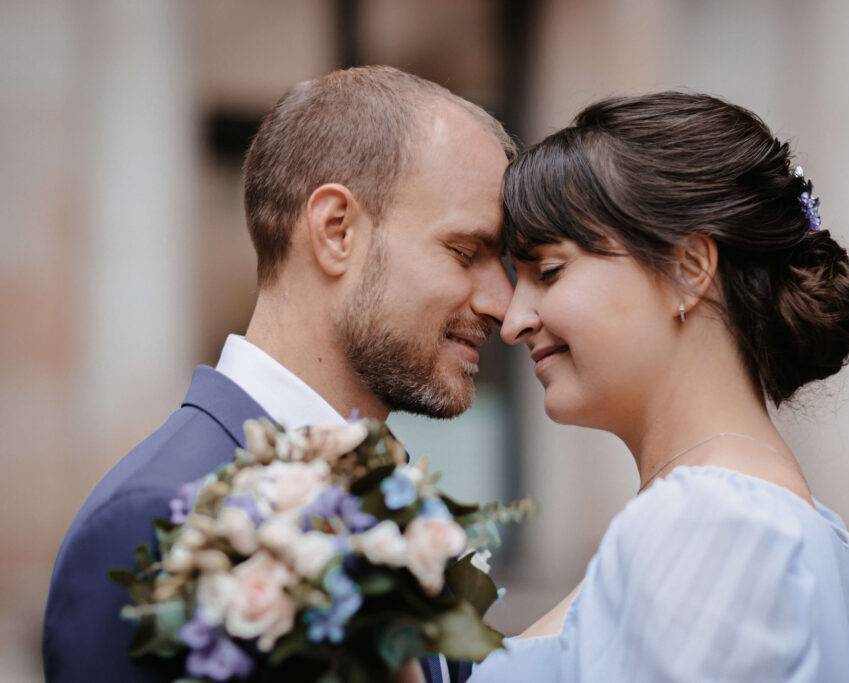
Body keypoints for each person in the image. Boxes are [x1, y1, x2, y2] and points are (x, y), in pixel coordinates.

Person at [43, 65, 514, 683]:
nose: (502, 304)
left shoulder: (402, 502)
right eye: (465, 252)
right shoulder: (153, 520)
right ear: (335, 231)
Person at [471, 92, 849, 682]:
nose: (514, 321)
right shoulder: (741, 516)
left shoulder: (714, 523)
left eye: (550, 272)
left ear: (688, 269)